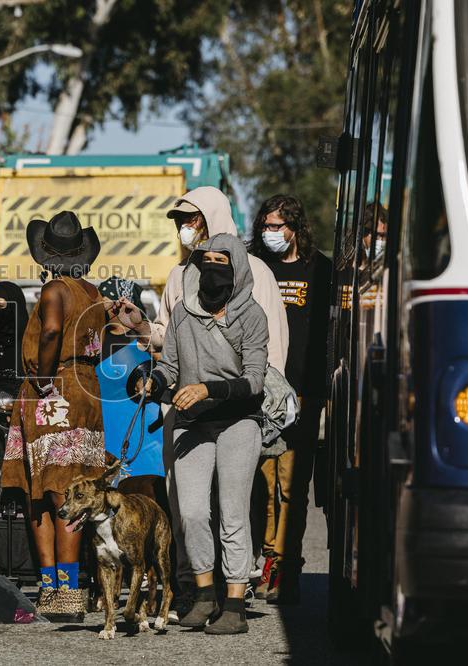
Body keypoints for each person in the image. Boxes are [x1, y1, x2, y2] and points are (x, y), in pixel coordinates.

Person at [145, 186, 289, 620]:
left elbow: (266, 357)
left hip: (239, 412)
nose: (185, 229)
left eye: (191, 219)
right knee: (188, 508)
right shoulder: (180, 277)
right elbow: (169, 344)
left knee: (233, 509)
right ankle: (196, 587)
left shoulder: (256, 275)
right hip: (187, 412)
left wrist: (263, 408)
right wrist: (152, 375)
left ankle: (234, 597)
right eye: (179, 222)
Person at [0, 211, 107, 622]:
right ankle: (60, 587)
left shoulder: (54, 291)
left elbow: (50, 332)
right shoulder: (92, 292)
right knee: (62, 488)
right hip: (85, 389)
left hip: (54, 388)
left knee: (51, 491)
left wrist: (43, 379)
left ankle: (60, 590)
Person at [248, 195, 332, 603]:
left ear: (296, 228)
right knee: (262, 486)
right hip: (261, 390)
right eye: (265, 225)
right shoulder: (254, 268)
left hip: (303, 391)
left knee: (291, 487)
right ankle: (266, 563)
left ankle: (287, 566)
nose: (271, 233)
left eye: (278, 226)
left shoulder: (321, 269)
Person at [95, 277, 163, 490]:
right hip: (109, 433)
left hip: (143, 434)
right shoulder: (96, 342)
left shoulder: (143, 342)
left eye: (105, 300)